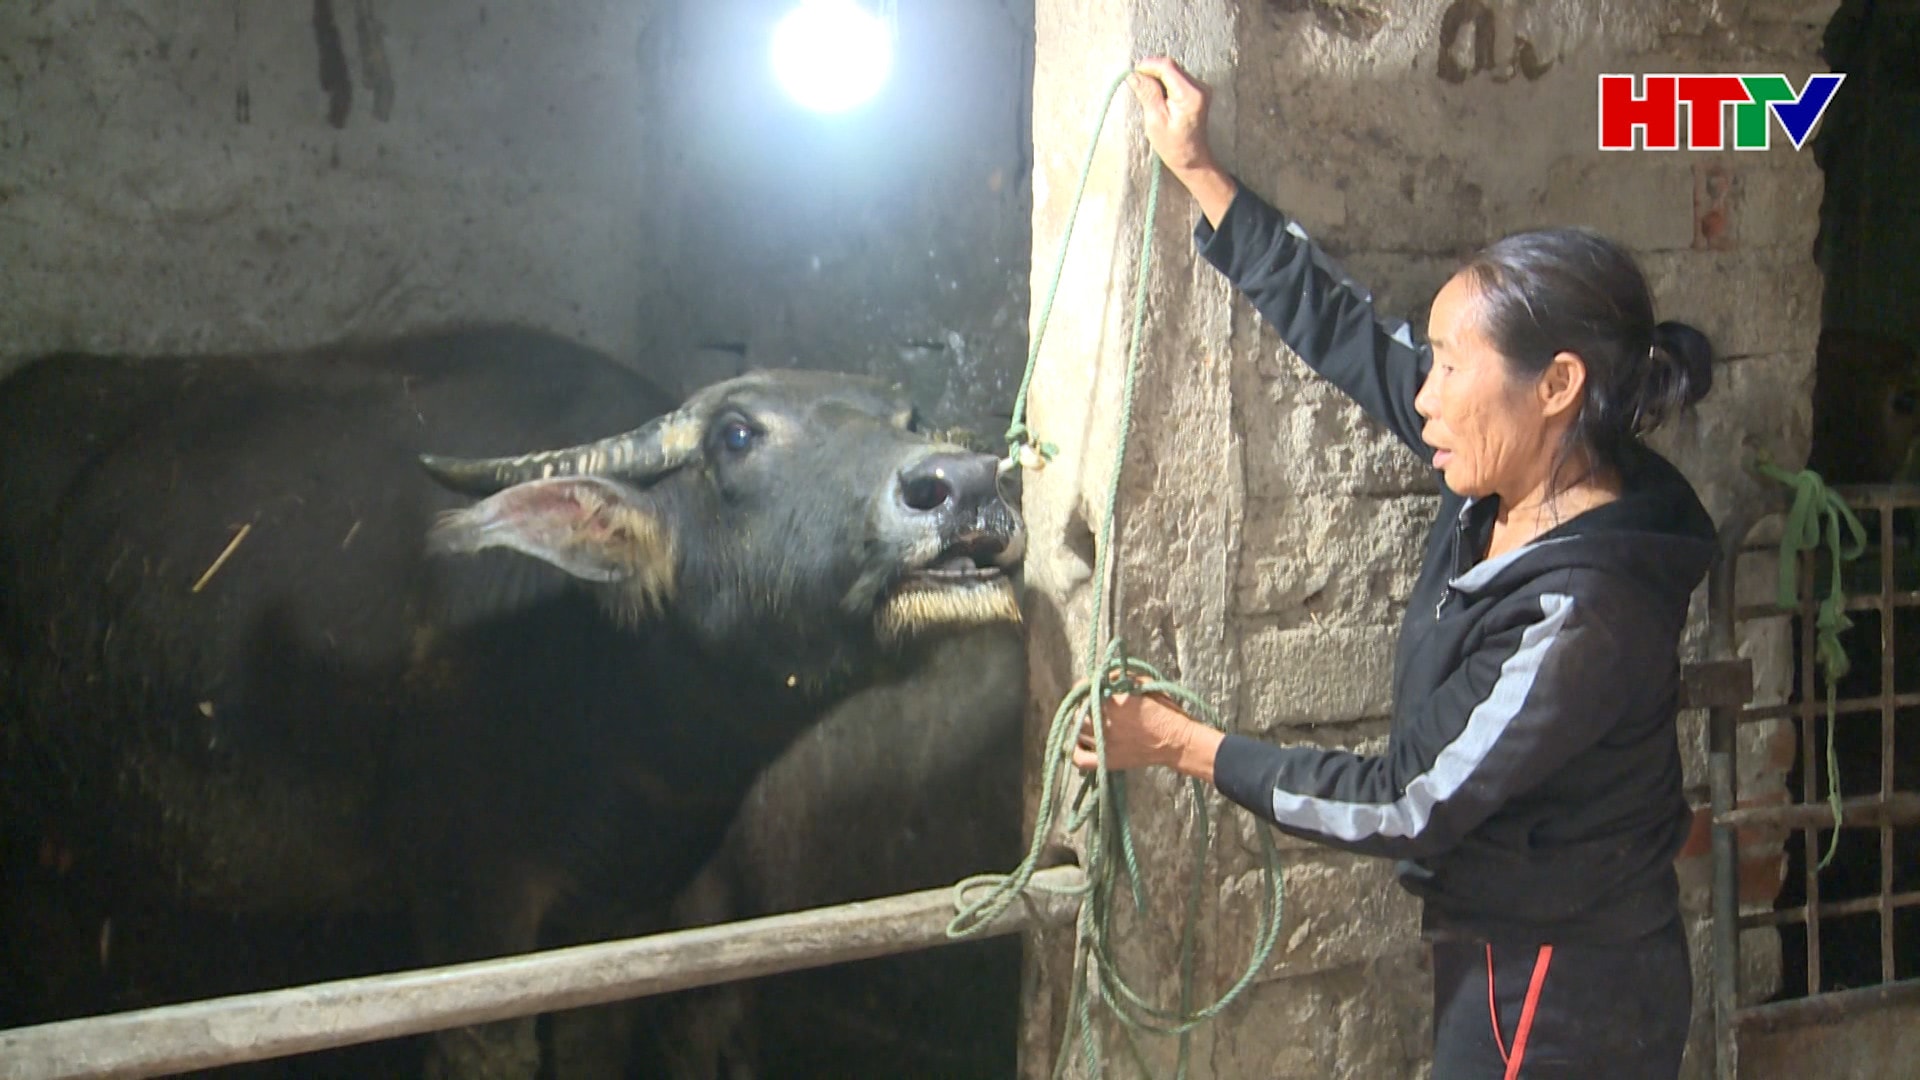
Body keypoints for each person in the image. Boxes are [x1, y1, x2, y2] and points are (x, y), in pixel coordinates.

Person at [1077, 56, 1719, 1079]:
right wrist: (1197, 170)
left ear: (1556, 384)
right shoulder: (1514, 468)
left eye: (1452, 364)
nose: (1426, 395)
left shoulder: (1583, 611)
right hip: (1518, 948)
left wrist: (1181, 745)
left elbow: (1406, 802)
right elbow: (1350, 336)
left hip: (1561, 988)